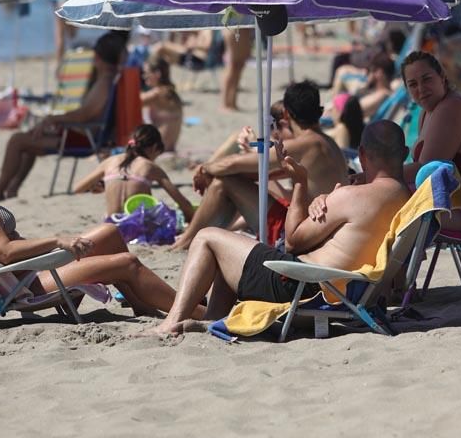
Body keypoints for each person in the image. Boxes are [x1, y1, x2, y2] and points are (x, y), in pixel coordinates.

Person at [154, 121, 411, 336]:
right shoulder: (408, 201)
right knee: (229, 251)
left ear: (362, 154)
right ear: (405, 153)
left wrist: (299, 183)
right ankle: (213, 320)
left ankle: (170, 323)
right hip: (349, 294)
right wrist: (328, 198)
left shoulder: (352, 197)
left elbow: (293, 242)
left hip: (301, 286)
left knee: (207, 237)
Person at [0, 133, 184, 318]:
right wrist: (57, 241)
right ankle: (191, 310)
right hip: (31, 283)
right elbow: (5, 252)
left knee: (110, 233)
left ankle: (141, 304)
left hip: (31, 270)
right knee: (127, 263)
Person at [170, 80, 349, 251]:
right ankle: (190, 238)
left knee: (223, 182)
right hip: (320, 231)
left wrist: (204, 168)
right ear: (320, 111)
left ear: (286, 114)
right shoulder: (329, 145)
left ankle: (186, 241)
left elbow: (232, 164)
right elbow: (259, 173)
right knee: (229, 179)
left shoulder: (306, 144)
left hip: (301, 234)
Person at [0, 32, 125, 200]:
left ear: (97, 57)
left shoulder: (104, 84)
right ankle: (12, 189)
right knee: (30, 136)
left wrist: (53, 119)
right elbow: (85, 114)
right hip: (82, 133)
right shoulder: (108, 81)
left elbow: (83, 115)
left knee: (16, 140)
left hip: (82, 138)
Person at [399, 51, 461, 221]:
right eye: (413, 84)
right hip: (448, 205)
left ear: (442, 77)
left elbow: (425, 171)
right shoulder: (428, 111)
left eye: (427, 79)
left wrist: (377, 176)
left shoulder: (451, 109)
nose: (421, 89)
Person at [73, 123, 195, 220]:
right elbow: (183, 204)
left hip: (111, 227)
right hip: (138, 227)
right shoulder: (150, 167)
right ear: (154, 148)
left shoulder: (110, 161)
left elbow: (77, 189)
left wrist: (107, 185)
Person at [139, 58, 183, 152]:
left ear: (157, 74)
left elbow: (133, 102)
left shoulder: (158, 94)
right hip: (170, 149)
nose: (143, 76)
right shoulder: (170, 92)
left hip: (158, 151)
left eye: (146, 73)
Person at [219, 27, 254, 112]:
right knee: (233, 65)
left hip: (243, 28)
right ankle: (225, 103)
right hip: (235, 27)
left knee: (239, 65)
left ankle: (232, 102)